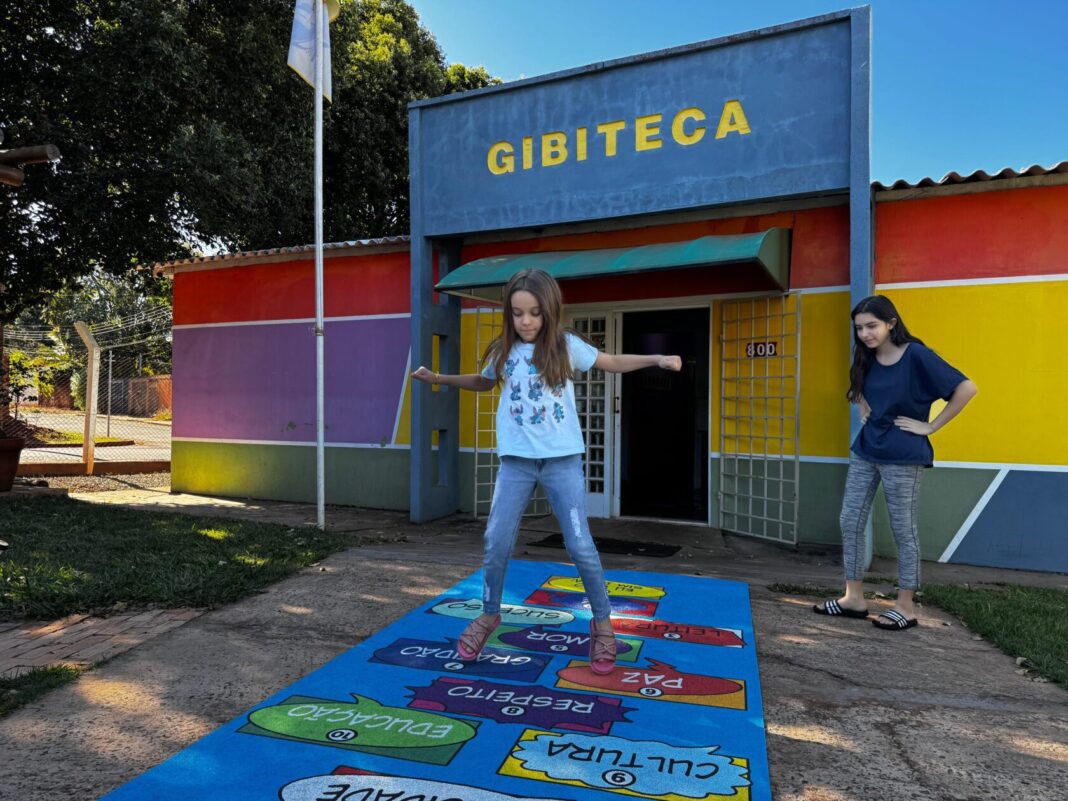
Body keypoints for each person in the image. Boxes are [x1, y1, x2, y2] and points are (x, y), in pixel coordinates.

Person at [411, 268, 682, 672]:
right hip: (516, 465)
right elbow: (483, 382)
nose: (525, 322)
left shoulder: (565, 346)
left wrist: (656, 359)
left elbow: (610, 360)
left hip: (562, 464)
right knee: (495, 540)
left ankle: (604, 626)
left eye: (534, 313)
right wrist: (438, 378)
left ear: (549, 311)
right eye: (518, 313)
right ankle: (489, 614)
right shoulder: (503, 351)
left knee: (580, 546)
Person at [815, 295, 977, 631]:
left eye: (872, 326)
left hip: (903, 455)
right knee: (850, 520)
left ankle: (906, 605)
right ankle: (853, 598)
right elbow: (858, 388)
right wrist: (862, 404)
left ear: (891, 323)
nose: (865, 333)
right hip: (866, 450)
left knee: (903, 528)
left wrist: (930, 426)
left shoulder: (916, 355)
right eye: (859, 328)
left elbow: (966, 388)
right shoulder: (867, 357)